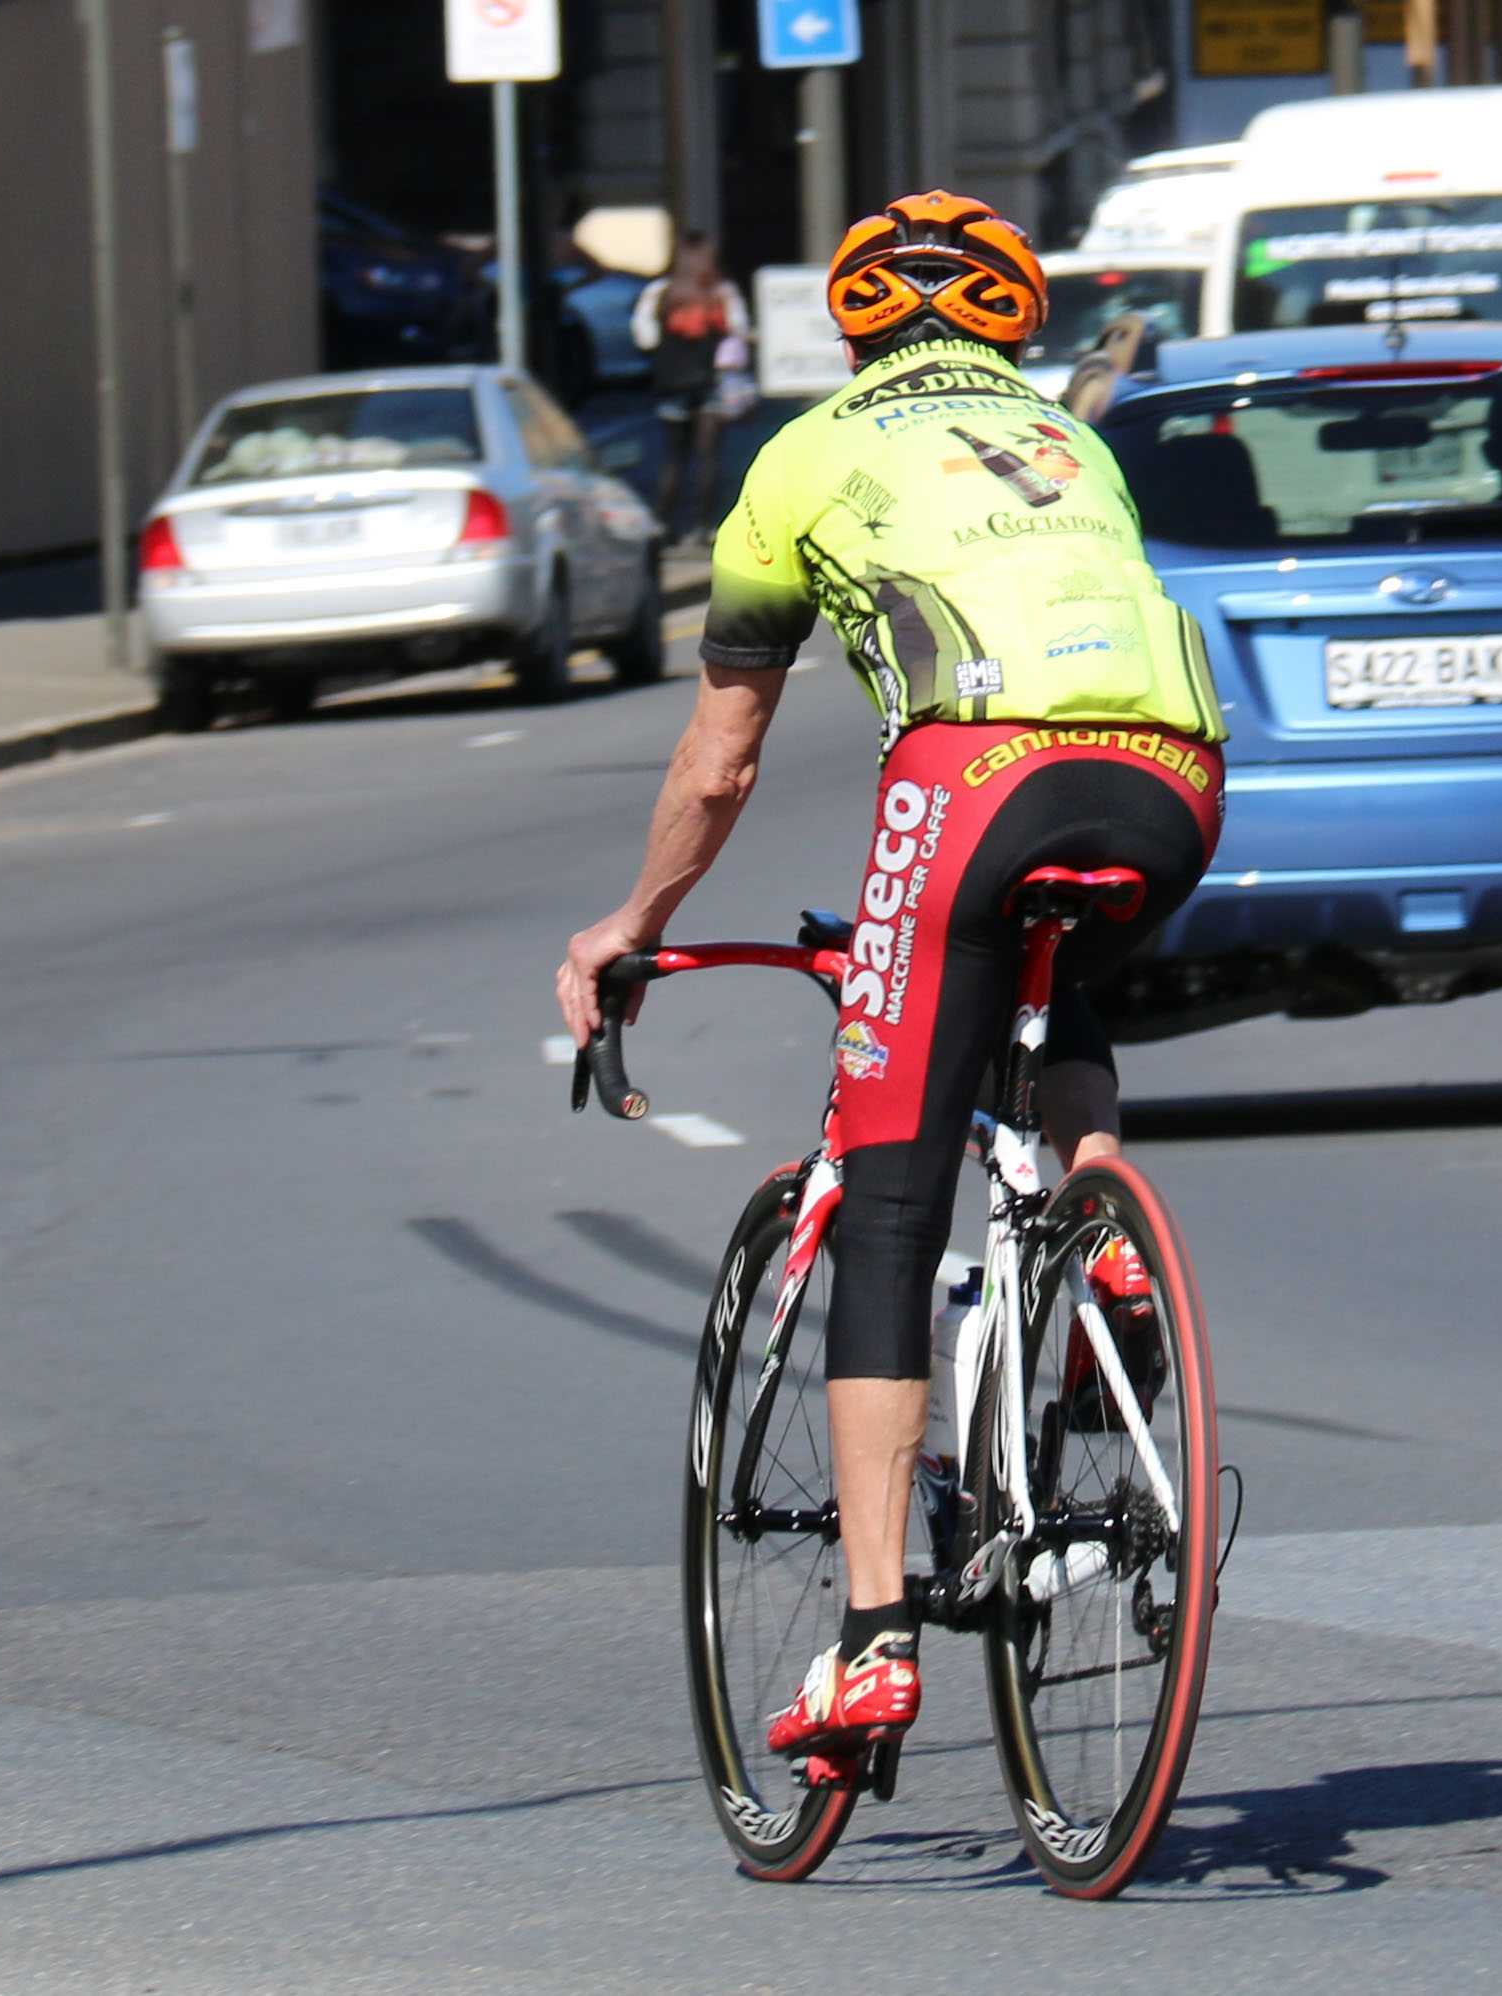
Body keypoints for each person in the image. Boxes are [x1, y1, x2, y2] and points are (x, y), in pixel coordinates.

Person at [556, 190, 1226, 1765]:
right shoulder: (1076, 443)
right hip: (1177, 778)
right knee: (1059, 971)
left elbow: (722, 759)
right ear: (1010, 322)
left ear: (858, 326)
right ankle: (1101, 1221)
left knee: (893, 1192)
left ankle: (868, 1641)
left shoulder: (798, 458)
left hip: (978, 779)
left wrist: (634, 919)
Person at [631, 233, 753, 543]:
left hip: (671, 382)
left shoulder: (660, 292)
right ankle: (704, 526)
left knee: (674, 458)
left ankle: (664, 524)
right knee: (709, 456)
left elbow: (644, 338)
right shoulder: (721, 293)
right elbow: (738, 329)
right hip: (710, 381)